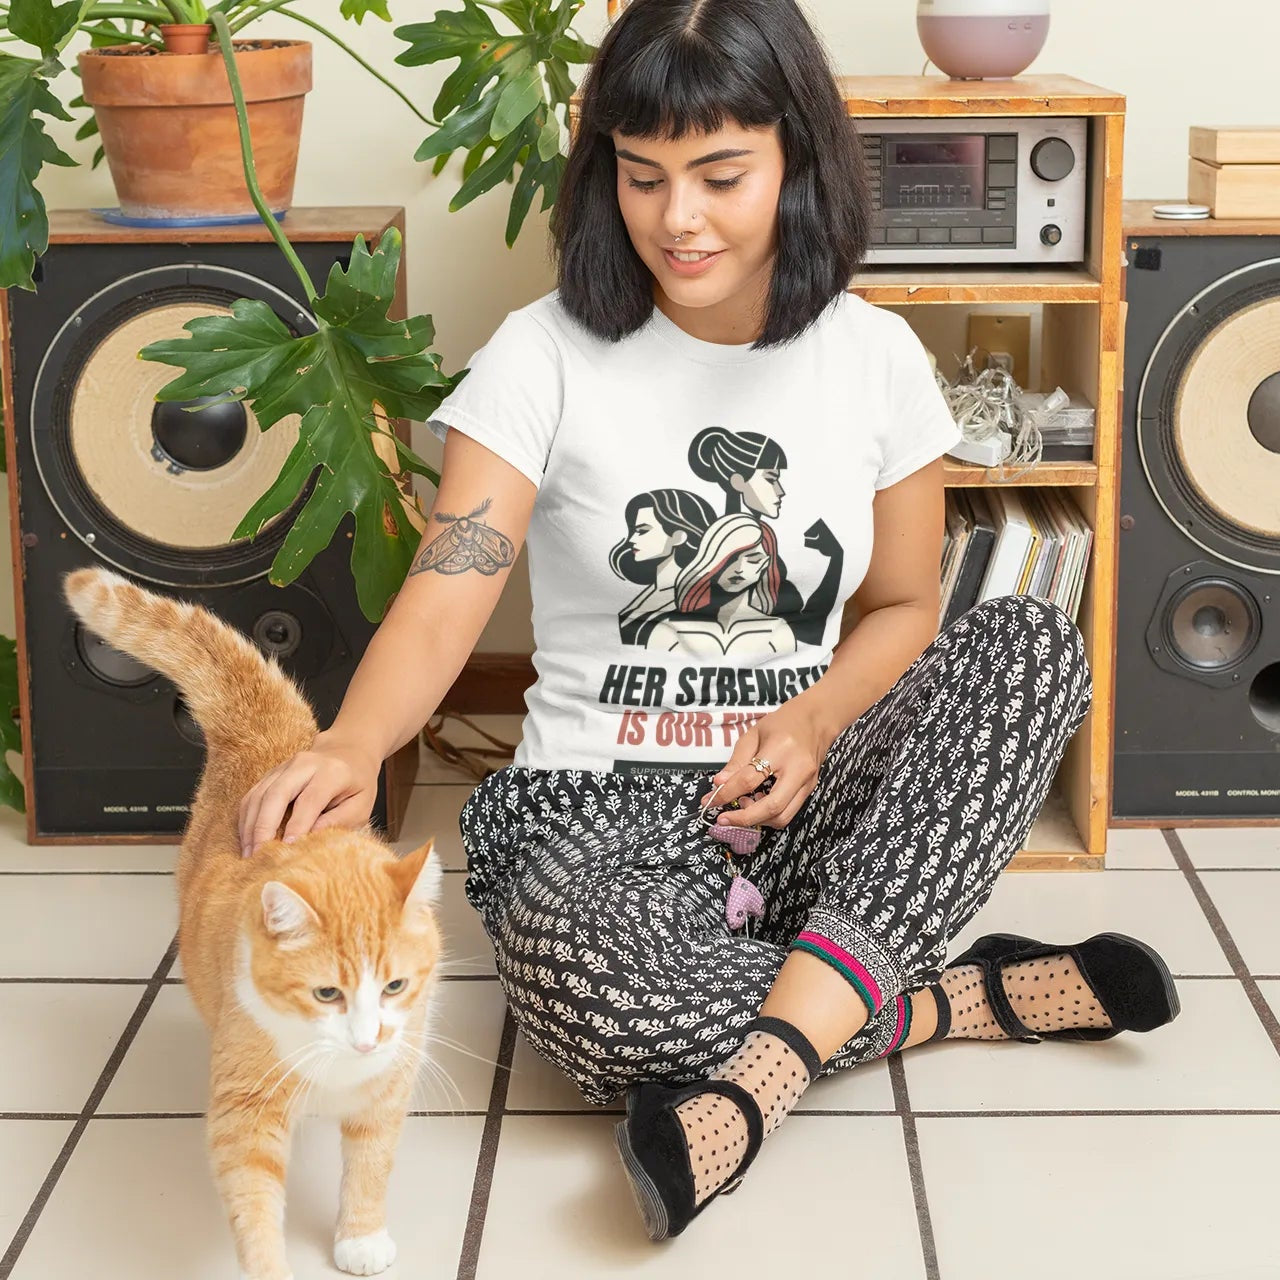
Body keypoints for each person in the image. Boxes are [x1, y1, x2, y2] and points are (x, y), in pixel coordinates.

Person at [239, 0, 1180, 1243]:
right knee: (603, 1005)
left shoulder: (874, 360)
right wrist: (353, 743)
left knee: (1029, 652)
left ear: (795, 157)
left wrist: (810, 717)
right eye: (642, 177)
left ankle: (749, 1078)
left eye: (719, 175)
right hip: (594, 817)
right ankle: (930, 995)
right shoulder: (542, 357)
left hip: (801, 783)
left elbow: (901, 607)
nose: (676, 219)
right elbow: (449, 584)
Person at [645, 512, 796, 657]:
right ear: (712, 558)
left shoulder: (778, 631)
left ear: (766, 563)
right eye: (730, 558)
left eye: (753, 559)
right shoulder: (668, 627)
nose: (739, 569)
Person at [610, 488, 717, 644]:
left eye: (642, 530)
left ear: (678, 537)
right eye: (633, 530)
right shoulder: (655, 589)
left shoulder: (692, 596)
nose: (632, 539)